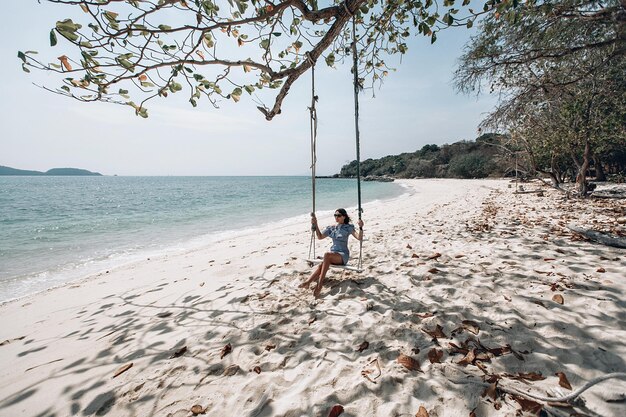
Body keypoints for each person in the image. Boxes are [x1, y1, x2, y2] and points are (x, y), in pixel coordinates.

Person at [299, 208, 364, 297]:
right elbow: (320, 236)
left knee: (327, 255)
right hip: (333, 255)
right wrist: (315, 224)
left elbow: (359, 237)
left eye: (338, 215)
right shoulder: (332, 228)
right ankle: (308, 282)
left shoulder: (348, 228)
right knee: (322, 264)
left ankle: (320, 284)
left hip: (342, 256)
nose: (336, 217)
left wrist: (361, 227)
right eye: (335, 215)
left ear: (344, 217)